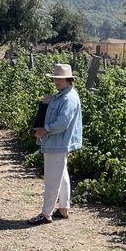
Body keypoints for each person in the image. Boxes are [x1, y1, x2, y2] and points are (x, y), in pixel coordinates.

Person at [27, 63, 83, 225]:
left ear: (68, 79)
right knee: (61, 175)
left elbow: (62, 123)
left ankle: (46, 214)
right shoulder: (64, 95)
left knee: (52, 179)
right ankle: (63, 208)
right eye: (55, 79)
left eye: (60, 79)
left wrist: (45, 130)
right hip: (59, 142)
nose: (56, 82)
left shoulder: (68, 98)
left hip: (58, 142)